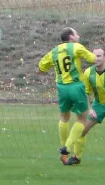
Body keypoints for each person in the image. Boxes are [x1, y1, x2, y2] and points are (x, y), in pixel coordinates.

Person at [38, 27, 96, 164]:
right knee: (82, 119)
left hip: (61, 87)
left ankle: (63, 149)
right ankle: (67, 147)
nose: (78, 35)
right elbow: (93, 59)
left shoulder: (54, 51)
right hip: (76, 86)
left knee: (64, 117)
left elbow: (41, 67)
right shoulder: (76, 47)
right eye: (76, 33)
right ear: (71, 37)